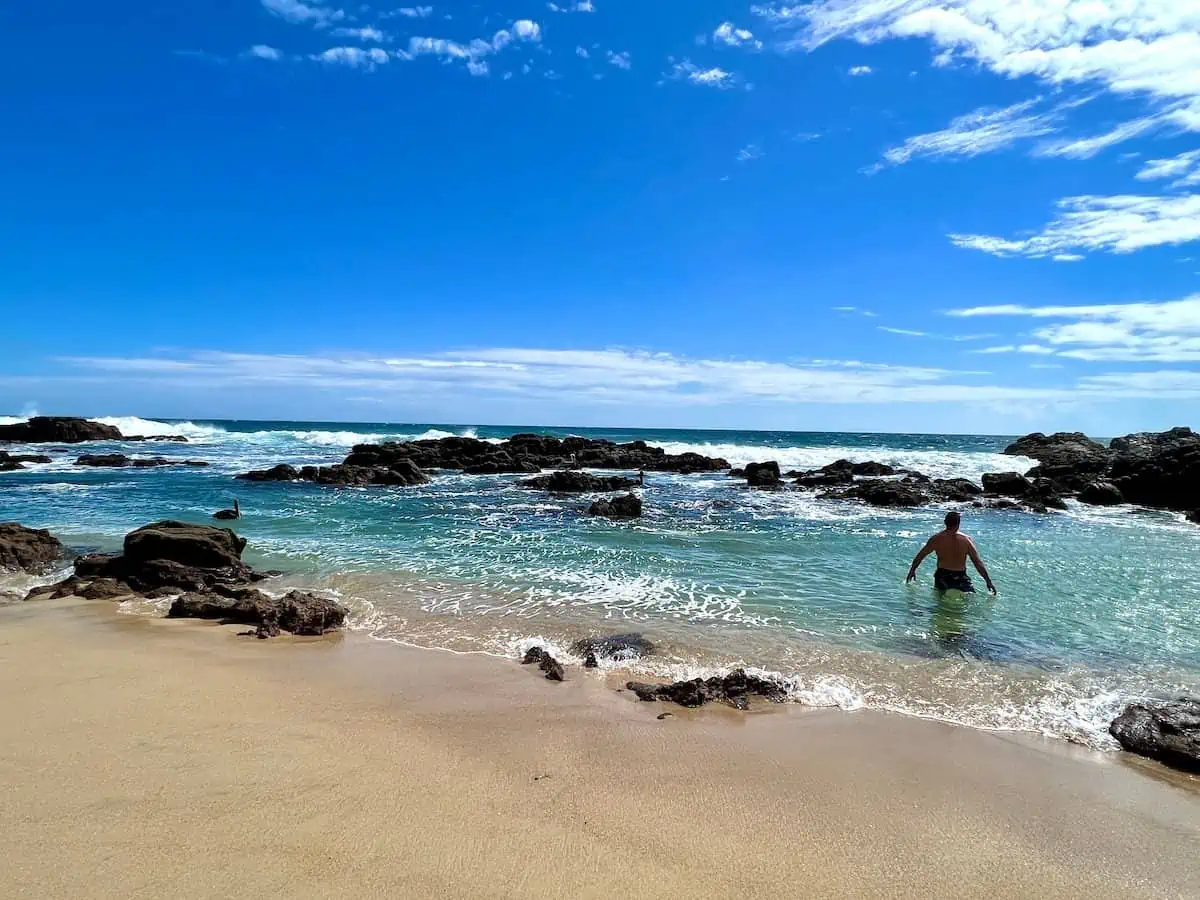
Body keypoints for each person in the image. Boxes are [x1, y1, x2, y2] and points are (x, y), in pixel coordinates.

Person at [906, 511, 996, 595]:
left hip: (942, 575)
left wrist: (912, 570)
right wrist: (988, 581)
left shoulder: (936, 539)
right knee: (969, 600)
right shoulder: (966, 540)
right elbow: (977, 562)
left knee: (940, 604)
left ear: (945, 522)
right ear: (958, 524)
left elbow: (921, 555)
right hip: (960, 576)